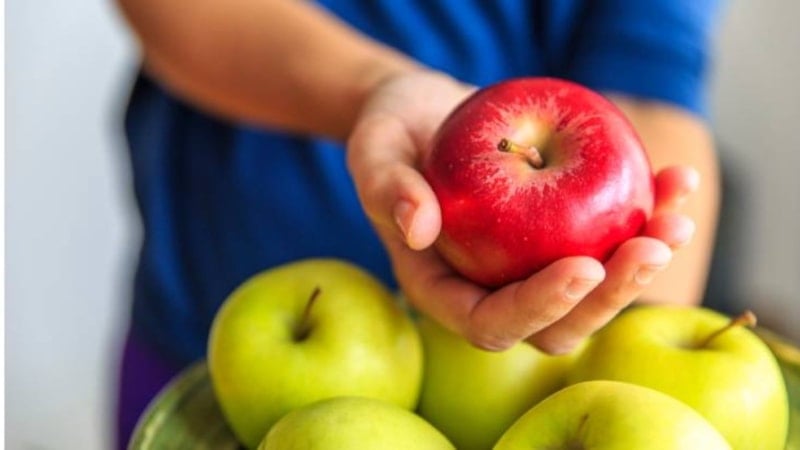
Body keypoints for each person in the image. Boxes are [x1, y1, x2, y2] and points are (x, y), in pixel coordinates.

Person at [113, 0, 722, 447]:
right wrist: (374, 90)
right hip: (213, 341)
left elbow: (651, 78)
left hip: (518, 392)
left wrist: (625, 352)